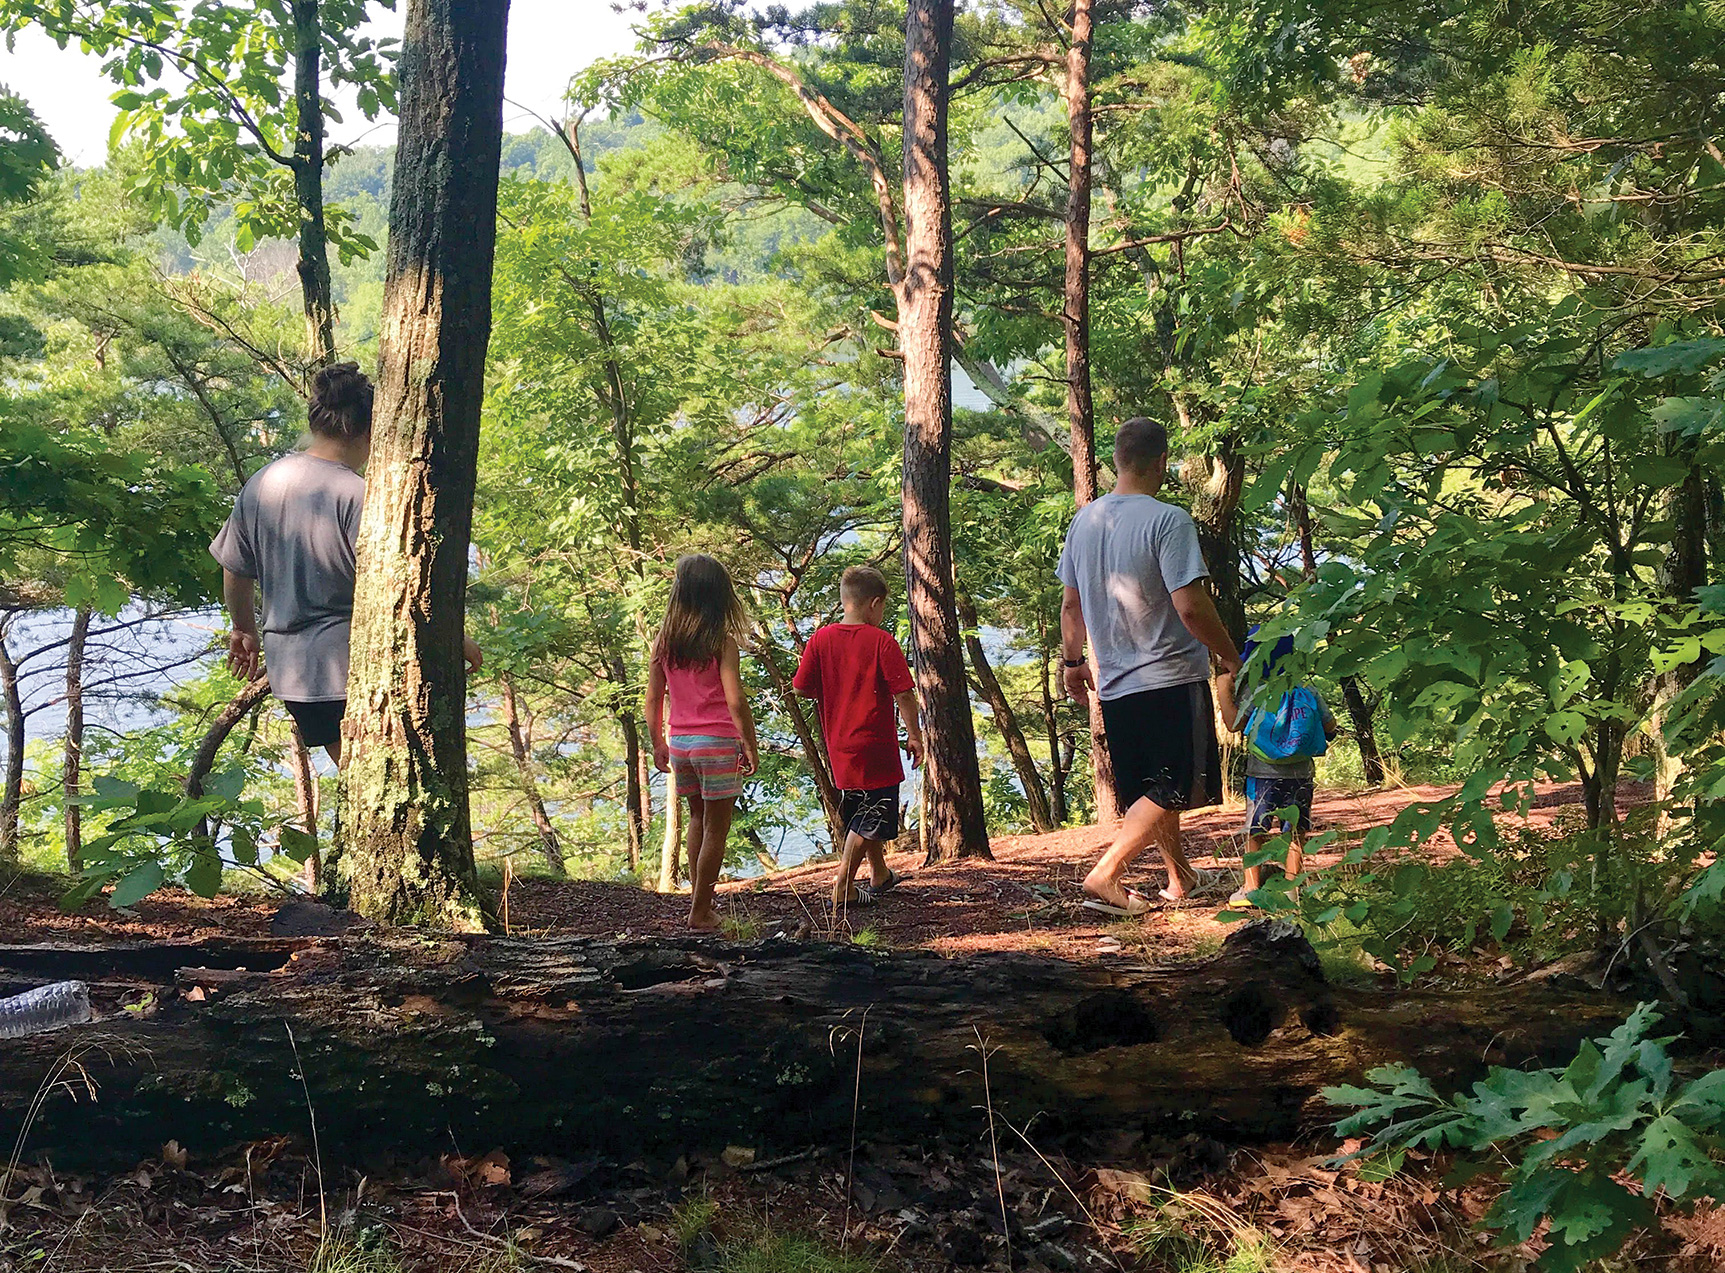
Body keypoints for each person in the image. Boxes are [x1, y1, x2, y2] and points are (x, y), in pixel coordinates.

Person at [210, 363, 483, 765]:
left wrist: (244, 630)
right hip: (351, 668)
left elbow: (234, 568)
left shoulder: (263, 483)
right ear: (371, 428)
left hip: (294, 676)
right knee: (390, 776)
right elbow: (396, 586)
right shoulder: (359, 495)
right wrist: (454, 639)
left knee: (359, 780)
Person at [1059, 416, 1243, 915]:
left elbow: (1071, 606)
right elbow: (1190, 606)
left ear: (1116, 463)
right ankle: (1106, 874)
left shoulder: (1084, 522)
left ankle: (1179, 877)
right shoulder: (1169, 520)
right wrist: (1228, 653)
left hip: (1115, 684)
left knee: (1153, 788)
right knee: (1173, 785)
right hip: (1169, 678)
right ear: (1162, 461)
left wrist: (1072, 663)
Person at [793, 565, 925, 912]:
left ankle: (879, 874)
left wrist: (836, 689)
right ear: (874, 604)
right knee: (872, 815)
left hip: (839, 743)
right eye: (882, 608)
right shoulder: (881, 641)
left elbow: (801, 686)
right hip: (874, 743)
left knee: (861, 810)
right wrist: (915, 735)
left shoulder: (820, 639)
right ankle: (843, 887)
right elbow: (905, 693)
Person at [646, 554, 762, 932]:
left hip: (680, 743)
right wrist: (750, 742)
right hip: (717, 741)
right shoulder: (721, 642)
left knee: (697, 817)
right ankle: (700, 910)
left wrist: (657, 742)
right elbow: (735, 700)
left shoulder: (664, 642)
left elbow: (653, 699)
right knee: (717, 826)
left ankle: (701, 901)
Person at [1215, 628, 1338, 905]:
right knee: (1295, 828)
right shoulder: (1306, 689)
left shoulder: (1256, 689)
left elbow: (1235, 724)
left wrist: (1223, 688)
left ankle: (1250, 888)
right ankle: (1292, 887)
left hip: (1262, 774)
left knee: (1255, 829)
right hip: (1302, 773)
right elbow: (1330, 727)